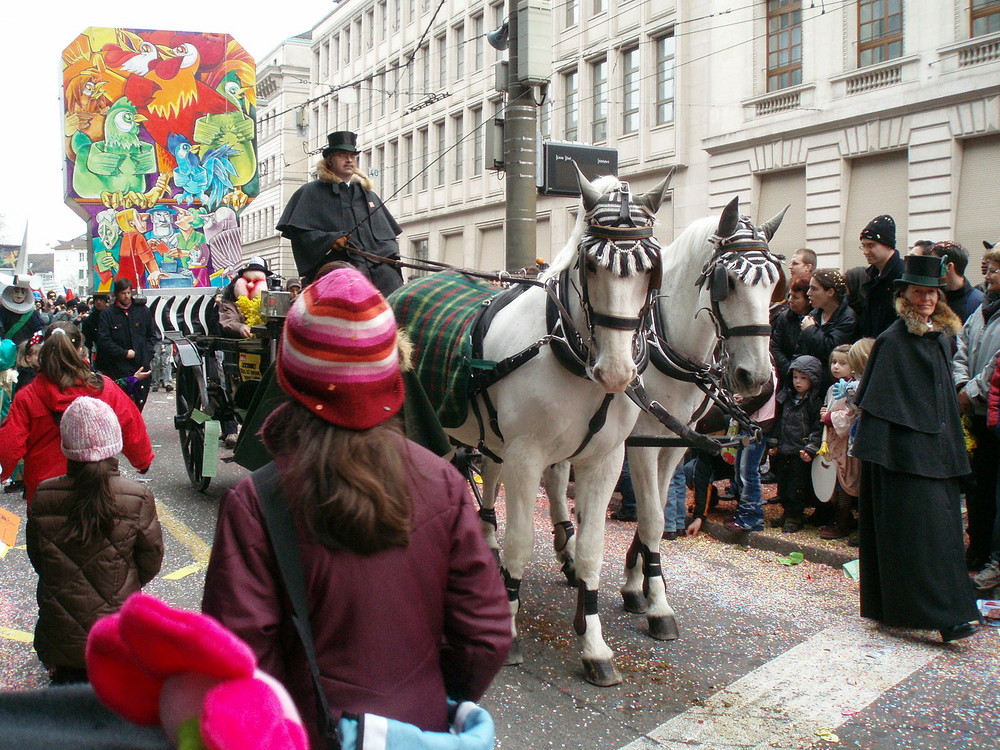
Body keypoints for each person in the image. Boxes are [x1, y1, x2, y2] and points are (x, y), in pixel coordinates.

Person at [202, 267, 510, 746]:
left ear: (290, 376)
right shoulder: (446, 484)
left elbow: (238, 661)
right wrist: (423, 700)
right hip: (419, 730)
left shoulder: (256, 503)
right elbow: (486, 636)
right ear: (392, 373)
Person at [853, 253, 980, 643]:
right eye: (919, 292)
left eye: (932, 293)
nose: (926, 299)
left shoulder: (941, 337)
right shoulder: (893, 341)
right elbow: (879, 405)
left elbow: (941, 400)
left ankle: (944, 610)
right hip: (904, 459)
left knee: (941, 534)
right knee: (918, 535)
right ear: (904, 294)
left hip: (938, 454)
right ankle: (945, 616)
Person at [25, 396, 162, 685]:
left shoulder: (45, 494)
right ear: (115, 443)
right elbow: (150, 560)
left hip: (59, 640)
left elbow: (39, 559)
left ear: (67, 447)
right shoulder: (136, 497)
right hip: (116, 638)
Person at [0, 322, 153, 506]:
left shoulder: (28, 396)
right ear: (80, 349)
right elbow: (130, 422)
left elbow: (9, 444)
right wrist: (142, 460)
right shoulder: (103, 388)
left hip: (45, 491)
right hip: (96, 486)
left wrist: (4, 472)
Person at [276, 131, 404, 295]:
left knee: (397, 291)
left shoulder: (368, 195)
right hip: (338, 265)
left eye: (353, 156)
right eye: (342, 155)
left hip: (376, 266)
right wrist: (330, 240)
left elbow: (388, 238)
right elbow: (301, 234)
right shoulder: (310, 192)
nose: (349, 160)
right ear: (330, 160)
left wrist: (388, 257)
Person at [953, 247, 1000, 578]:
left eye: (995, 269)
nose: (988, 275)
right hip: (975, 415)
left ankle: (993, 557)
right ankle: (977, 547)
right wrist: (960, 385)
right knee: (977, 489)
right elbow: (962, 349)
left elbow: (998, 364)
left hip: (993, 413)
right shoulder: (981, 312)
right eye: (989, 268)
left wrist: (970, 392)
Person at [816, 342, 867, 540]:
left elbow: (851, 417)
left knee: (844, 482)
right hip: (832, 442)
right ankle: (838, 517)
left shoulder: (855, 389)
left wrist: (829, 418)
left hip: (846, 444)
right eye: (834, 362)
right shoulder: (832, 388)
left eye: (842, 363)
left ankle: (843, 521)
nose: (836, 366)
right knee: (832, 480)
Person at [768, 354, 824, 533]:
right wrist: (774, 443)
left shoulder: (814, 403)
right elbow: (779, 422)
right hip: (784, 448)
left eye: (803, 378)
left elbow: (818, 428)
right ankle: (786, 512)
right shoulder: (786, 398)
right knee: (783, 484)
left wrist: (811, 448)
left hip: (801, 451)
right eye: (795, 377)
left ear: (813, 380)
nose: (798, 382)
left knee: (797, 485)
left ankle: (795, 515)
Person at [723, 366, 778, 534]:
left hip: (757, 427)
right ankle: (744, 513)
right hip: (749, 425)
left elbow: (761, 394)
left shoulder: (766, 371)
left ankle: (752, 518)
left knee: (748, 473)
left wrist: (739, 408)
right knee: (741, 471)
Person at [95, 278, 159, 411]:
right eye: (123, 293)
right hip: (118, 367)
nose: (127, 296)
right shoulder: (108, 314)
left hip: (141, 364)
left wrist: (147, 355)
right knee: (122, 404)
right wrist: (123, 353)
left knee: (139, 403)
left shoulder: (143, 311)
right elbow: (104, 340)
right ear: (117, 294)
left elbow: (152, 336)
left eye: (129, 293)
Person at [800, 268, 857, 381]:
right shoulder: (814, 314)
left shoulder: (847, 318)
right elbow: (801, 348)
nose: (808, 293)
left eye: (814, 289)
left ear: (830, 292)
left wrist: (810, 329)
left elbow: (831, 349)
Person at [856, 215, 904, 339]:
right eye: (864, 246)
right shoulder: (872, 275)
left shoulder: (902, 276)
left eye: (871, 245)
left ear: (888, 245)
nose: (866, 251)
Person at [770, 274, 812, 390]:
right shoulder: (784, 317)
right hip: (786, 376)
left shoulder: (815, 319)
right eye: (790, 296)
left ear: (808, 300)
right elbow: (775, 346)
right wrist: (790, 370)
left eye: (796, 298)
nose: (790, 301)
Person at [926, 241, 984, 324]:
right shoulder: (930, 298)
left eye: (933, 264)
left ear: (948, 267)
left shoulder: (978, 304)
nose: (929, 269)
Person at [0, 277, 45, 347]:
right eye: (16, 291)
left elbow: (38, 330)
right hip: (7, 349)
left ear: (26, 295)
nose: (19, 295)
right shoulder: (3, 310)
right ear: (11, 293)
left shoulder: (33, 313)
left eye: (22, 292)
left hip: (26, 348)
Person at [80, 292, 109, 361]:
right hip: (99, 354)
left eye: (101, 300)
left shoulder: (112, 316)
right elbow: (87, 342)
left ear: (105, 301)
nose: (98, 302)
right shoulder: (89, 320)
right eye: (96, 300)